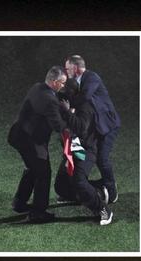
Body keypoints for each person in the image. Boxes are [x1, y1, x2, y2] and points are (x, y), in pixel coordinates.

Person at [8, 66, 68, 223]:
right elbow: (58, 127)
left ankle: (19, 203)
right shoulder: (50, 100)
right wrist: (68, 112)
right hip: (31, 141)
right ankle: (38, 212)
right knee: (43, 172)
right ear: (54, 82)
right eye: (62, 83)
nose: (64, 86)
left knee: (31, 168)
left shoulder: (37, 87)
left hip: (18, 135)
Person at [54, 79, 113, 225]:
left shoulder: (86, 107)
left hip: (85, 151)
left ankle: (103, 209)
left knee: (79, 181)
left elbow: (80, 128)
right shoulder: (67, 103)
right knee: (60, 187)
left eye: (65, 94)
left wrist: (67, 112)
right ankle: (95, 190)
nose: (62, 98)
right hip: (72, 149)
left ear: (73, 93)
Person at [65, 55, 121, 204]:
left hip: (108, 126)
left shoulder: (91, 77)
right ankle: (90, 186)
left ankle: (111, 190)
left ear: (75, 67)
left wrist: (66, 107)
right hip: (97, 127)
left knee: (102, 159)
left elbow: (84, 97)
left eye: (68, 68)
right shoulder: (78, 81)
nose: (66, 71)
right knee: (93, 157)